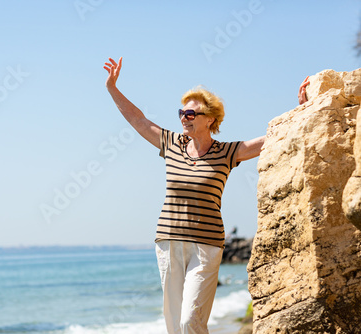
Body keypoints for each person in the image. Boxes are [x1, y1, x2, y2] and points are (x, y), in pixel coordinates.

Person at [103, 57, 310, 334]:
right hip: (168, 242)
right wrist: (112, 88)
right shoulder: (172, 144)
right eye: (182, 113)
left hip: (206, 246)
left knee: (191, 321)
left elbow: (269, 138)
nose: (184, 118)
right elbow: (138, 120)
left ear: (210, 119)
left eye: (191, 114)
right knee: (175, 326)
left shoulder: (227, 152)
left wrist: (302, 110)